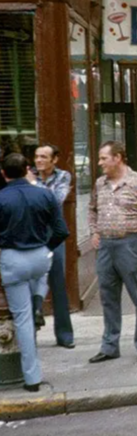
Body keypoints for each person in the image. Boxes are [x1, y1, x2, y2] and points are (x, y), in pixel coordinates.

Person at [0, 153, 69, 391]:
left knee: (22, 319)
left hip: (12, 258)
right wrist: (46, 248)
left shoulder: (1, 198)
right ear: (27, 169)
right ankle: (38, 299)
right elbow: (61, 231)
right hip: (40, 254)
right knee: (40, 273)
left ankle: (32, 378)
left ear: (3, 173)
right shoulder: (45, 194)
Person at [88, 141, 137, 364]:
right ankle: (110, 345)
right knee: (108, 298)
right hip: (106, 248)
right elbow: (92, 209)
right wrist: (93, 232)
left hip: (132, 245)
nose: (100, 163)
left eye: (103, 158)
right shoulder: (100, 184)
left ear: (117, 157)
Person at [32, 143, 75, 348]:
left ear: (54, 160)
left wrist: (33, 188)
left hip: (53, 233)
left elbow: (57, 200)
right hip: (31, 232)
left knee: (58, 283)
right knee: (31, 284)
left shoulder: (63, 176)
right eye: (36, 156)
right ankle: (30, 334)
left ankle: (65, 335)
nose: (38, 160)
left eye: (43, 157)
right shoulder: (28, 175)